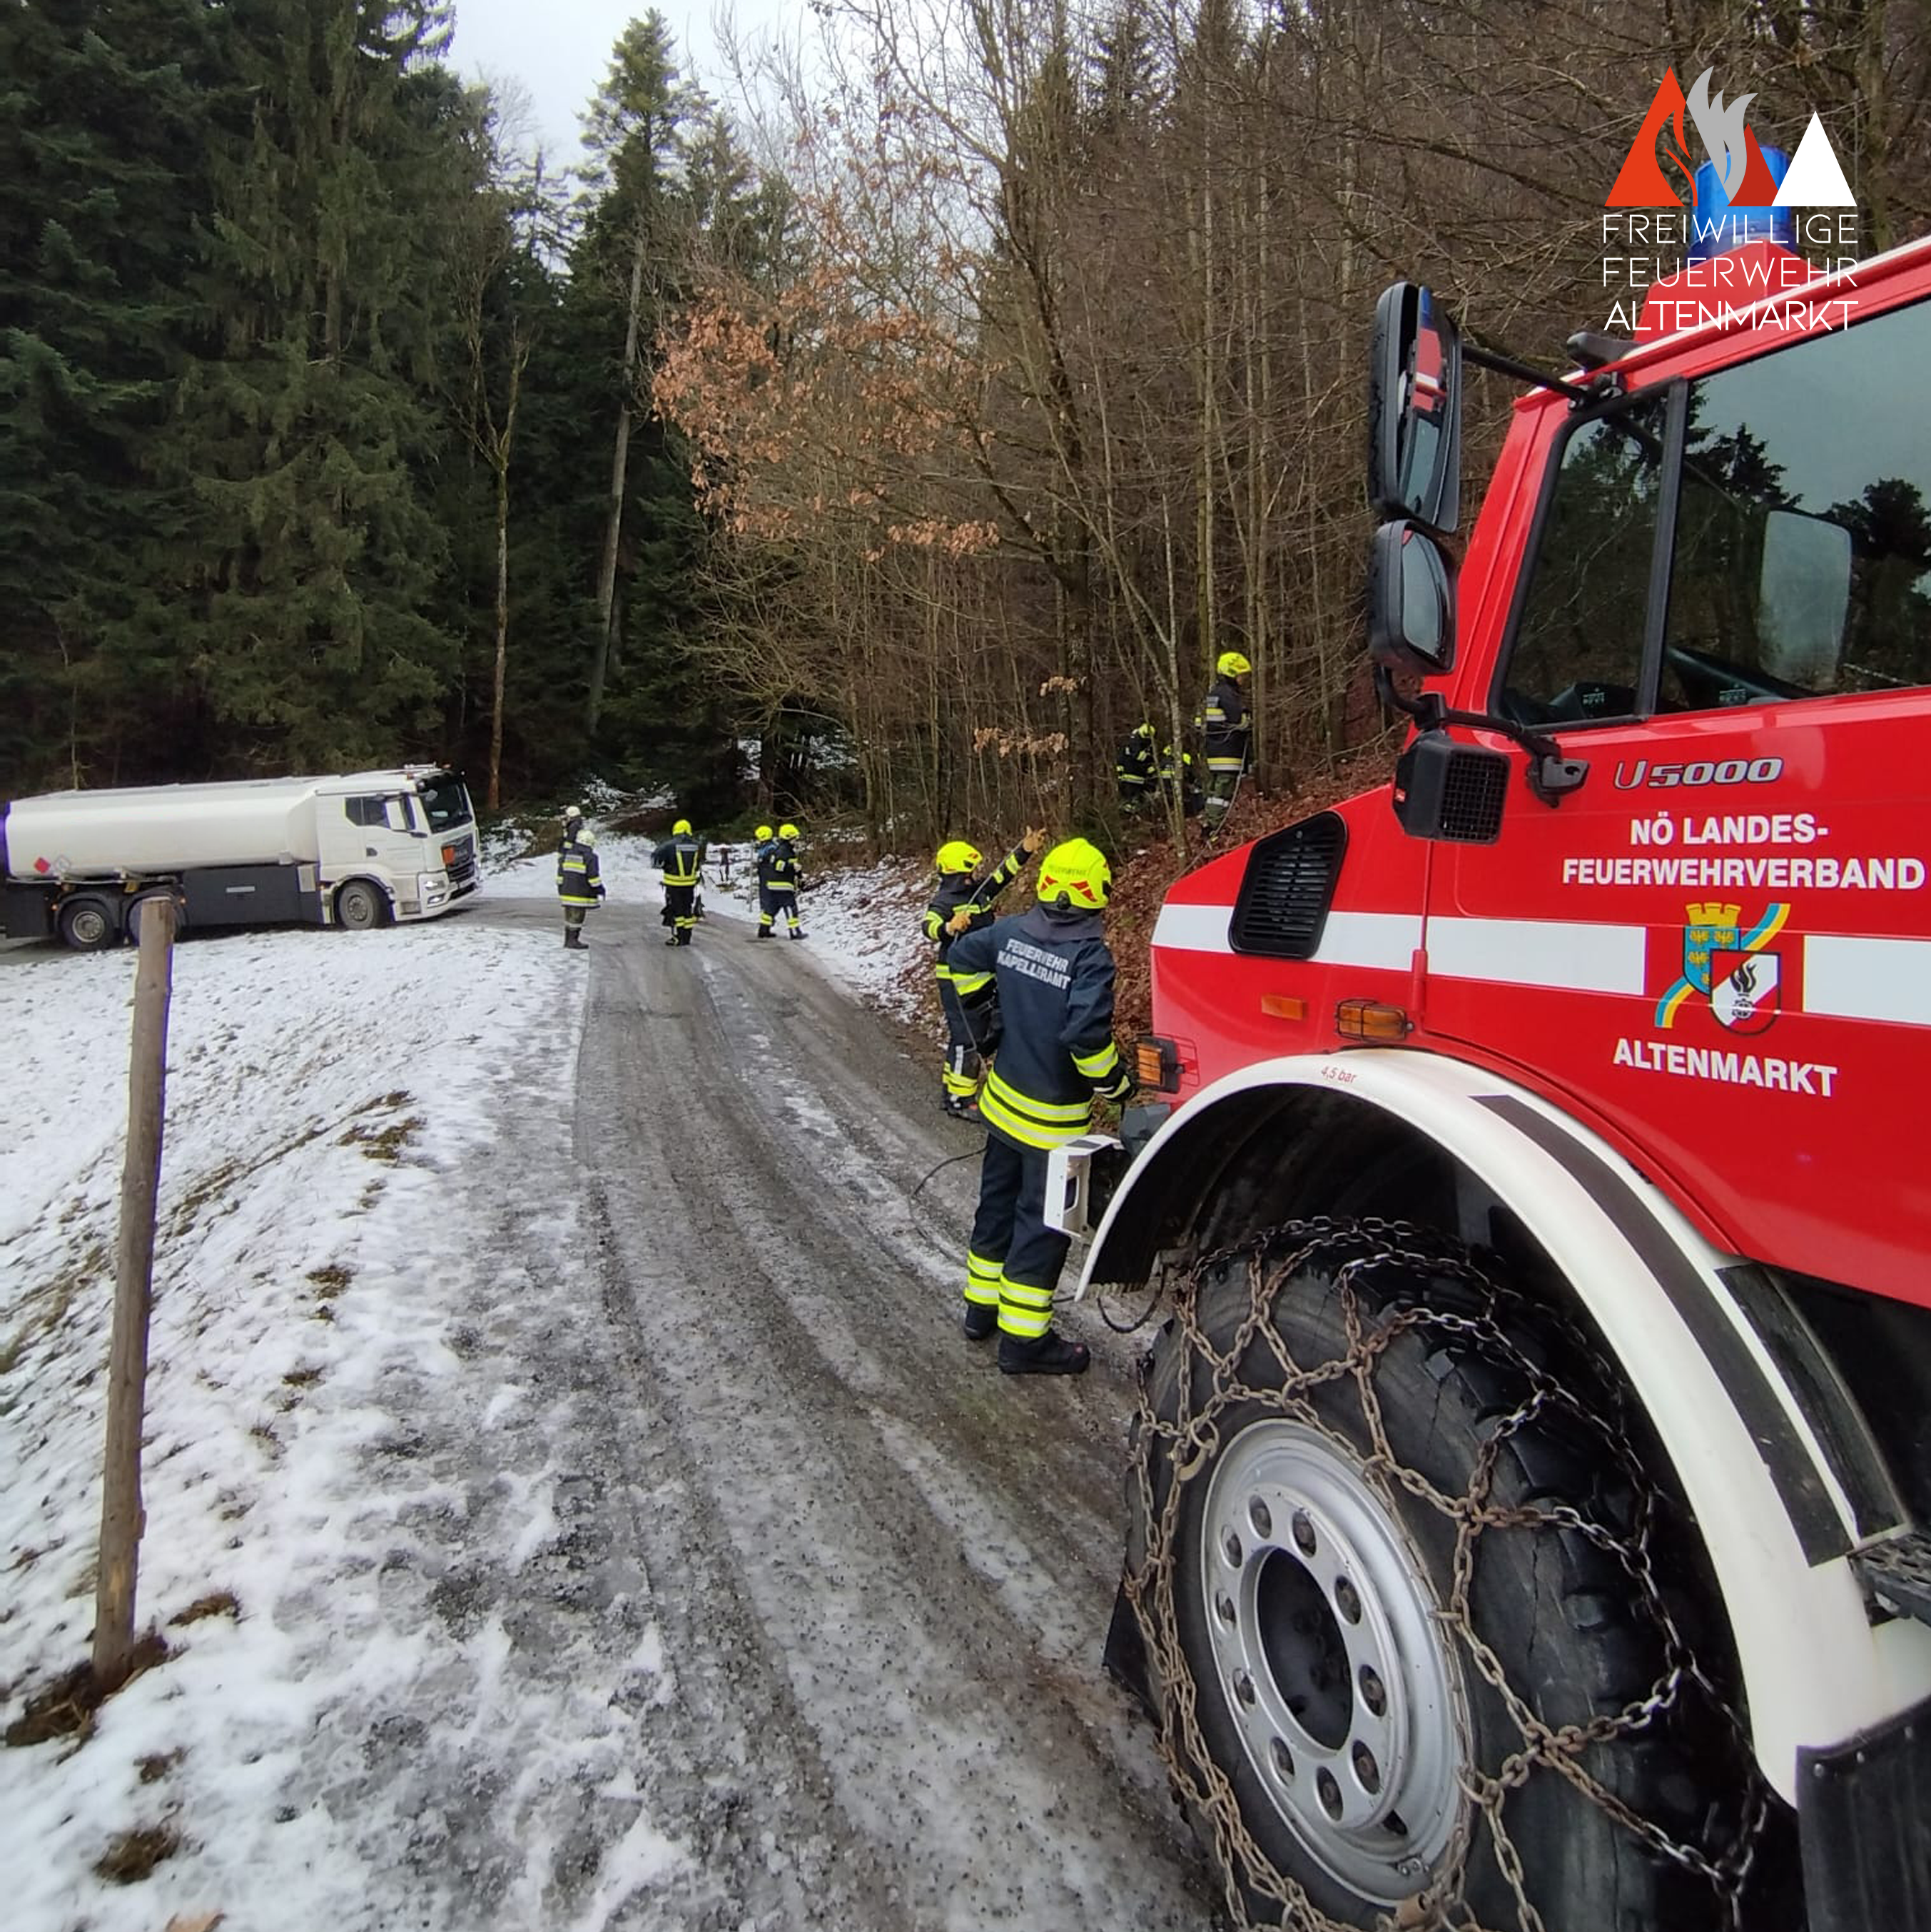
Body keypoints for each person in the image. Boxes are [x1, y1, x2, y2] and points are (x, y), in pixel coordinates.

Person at [945, 837, 1134, 1374]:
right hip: (1052, 1125)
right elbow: (1087, 1041)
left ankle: (980, 1311)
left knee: (996, 1206)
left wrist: (986, 1025)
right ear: (1097, 893)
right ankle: (1023, 1340)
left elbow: (961, 957)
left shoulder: (1009, 932)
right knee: (1042, 1224)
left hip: (1003, 1108)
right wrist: (1117, 1088)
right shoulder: (1090, 956)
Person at [923, 827, 1044, 1118]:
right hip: (956, 982)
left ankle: (951, 1092)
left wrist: (1024, 849)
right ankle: (960, 1102)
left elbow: (1002, 877)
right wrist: (949, 927)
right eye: (971, 869)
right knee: (967, 1038)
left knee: (967, 1036)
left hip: (980, 978)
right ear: (957, 872)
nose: (976, 874)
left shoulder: (976, 893)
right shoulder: (945, 901)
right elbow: (928, 926)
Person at [1200, 649, 1252, 836]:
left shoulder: (1213, 694)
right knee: (1222, 794)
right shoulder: (1229, 695)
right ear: (1231, 674)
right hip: (1228, 752)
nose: (1243, 680)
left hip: (1214, 751)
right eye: (1241, 676)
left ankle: (1209, 823)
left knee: (1214, 793)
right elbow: (1240, 722)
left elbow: (1203, 723)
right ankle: (1215, 829)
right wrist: (1248, 717)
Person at [652, 817, 705, 946]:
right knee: (687, 910)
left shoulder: (669, 846)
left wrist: (665, 865)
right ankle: (686, 937)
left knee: (677, 911)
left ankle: (679, 937)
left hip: (674, 885)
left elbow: (656, 860)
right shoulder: (697, 846)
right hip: (690, 885)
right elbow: (699, 863)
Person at [557, 816, 604, 950]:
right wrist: (600, 889)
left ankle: (568, 940)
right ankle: (573, 941)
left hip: (567, 892)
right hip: (580, 894)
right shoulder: (590, 857)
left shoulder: (567, 854)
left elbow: (560, 874)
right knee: (577, 919)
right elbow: (593, 877)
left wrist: (561, 888)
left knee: (569, 918)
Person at [756, 821, 804, 939]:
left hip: (773, 884)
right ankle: (794, 932)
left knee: (772, 907)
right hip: (782, 884)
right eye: (794, 838)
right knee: (790, 906)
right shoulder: (784, 851)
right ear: (788, 838)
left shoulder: (782, 849)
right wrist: (792, 867)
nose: (796, 841)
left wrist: (800, 878)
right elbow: (779, 866)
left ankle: (764, 929)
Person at [1115, 724, 1157, 812]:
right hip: (1135, 776)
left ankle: (1129, 815)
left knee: (1130, 800)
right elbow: (1138, 756)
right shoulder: (1136, 743)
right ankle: (1130, 815)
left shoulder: (1131, 741)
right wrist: (1151, 758)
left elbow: (1121, 759)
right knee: (1133, 800)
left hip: (1129, 776)